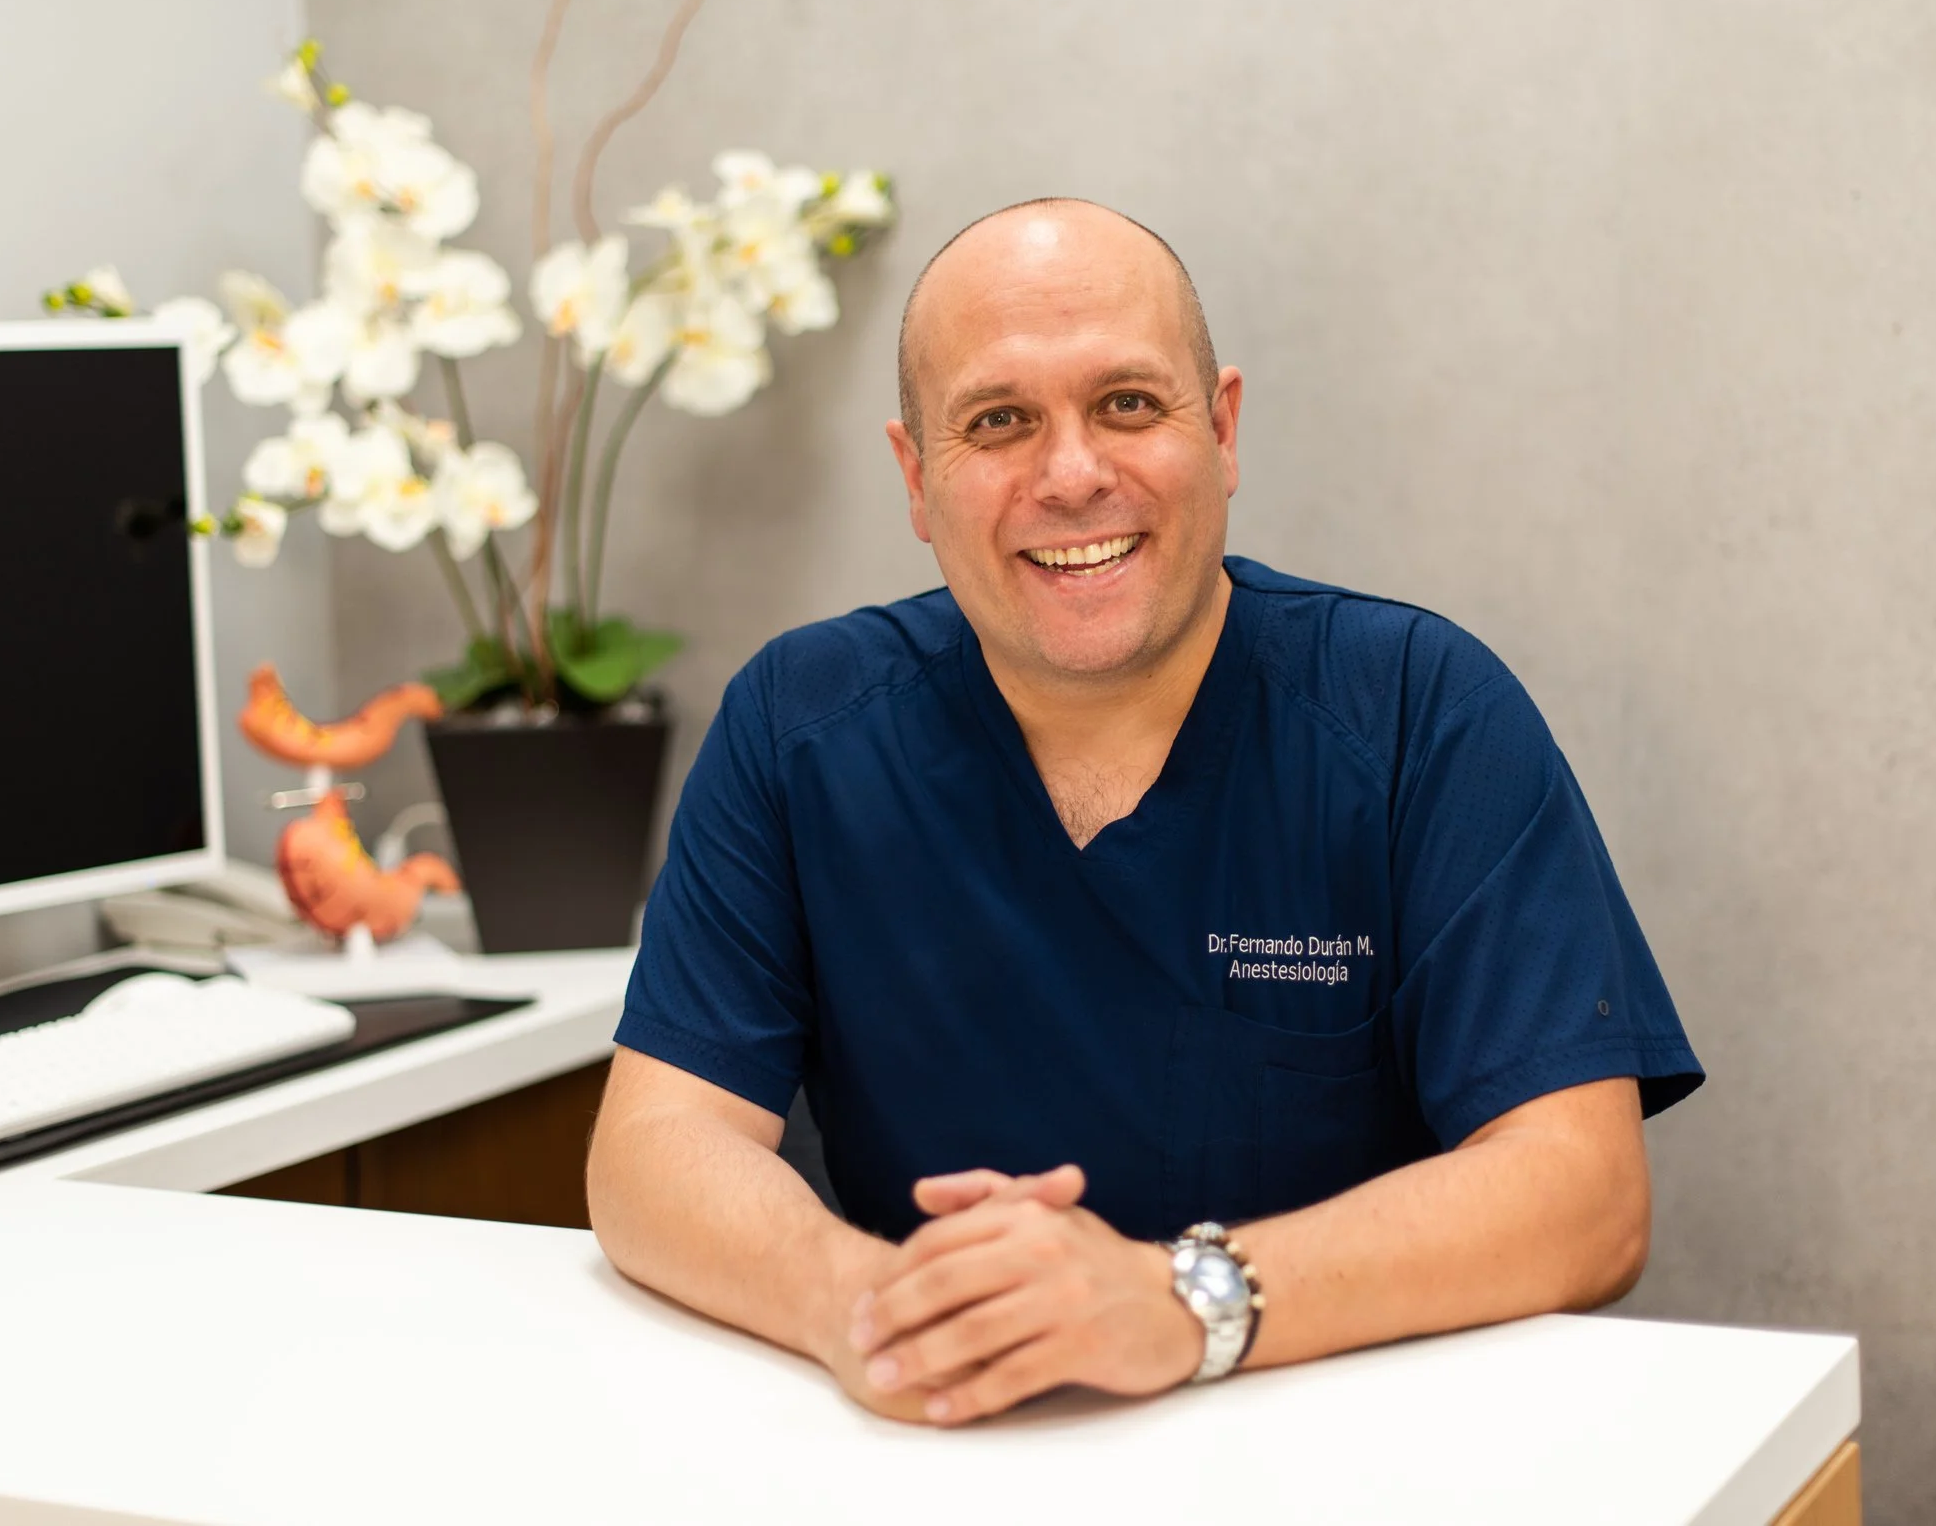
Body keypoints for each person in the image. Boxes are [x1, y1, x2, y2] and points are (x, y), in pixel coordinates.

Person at [586, 198, 1702, 1427]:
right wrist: (866, 1302)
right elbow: (653, 1145)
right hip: (953, 1457)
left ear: (1220, 430)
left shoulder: (1417, 713)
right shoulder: (799, 728)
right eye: (998, 421)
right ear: (916, 476)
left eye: (1126, 403)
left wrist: (1179, 1301)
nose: (1071, 476)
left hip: (1355, 1450)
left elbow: (1585, 1193)